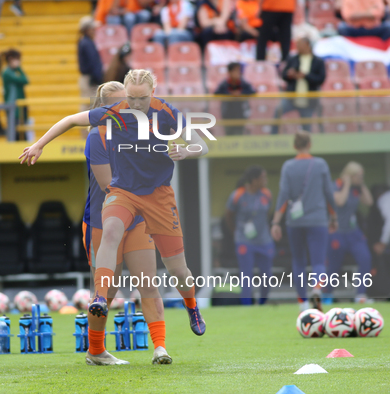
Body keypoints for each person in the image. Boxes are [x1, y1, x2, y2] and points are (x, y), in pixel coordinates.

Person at [20, 69, 209, 338]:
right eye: (130, 97)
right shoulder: (115, 113)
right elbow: (71, 120)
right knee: (110, 233)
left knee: (178, 270)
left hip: (158, 195)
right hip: (123, 193)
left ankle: (191, 305)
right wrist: (39, 144)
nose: (134, 104)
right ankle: (99, 297)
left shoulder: (167, 113)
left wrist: (185, 150)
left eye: (140, 98)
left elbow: (202, 145)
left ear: (152, 93)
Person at [83, 81, 171, 366]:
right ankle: (96, 352)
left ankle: (160, 348)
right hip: (102, 221)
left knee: (148, 283)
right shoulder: (97, 137)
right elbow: (110, 185)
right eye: (119, 104)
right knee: (106, 291)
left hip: (137, 220)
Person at [271, 132, 337, 312]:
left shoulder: (288, 166)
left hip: (295, 221)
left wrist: (276, 222)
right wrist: (334, 216)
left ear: (294, 146)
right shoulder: (320, 164)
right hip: (318, 219)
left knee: (298, 262)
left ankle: (302, 303)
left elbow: (283, 195)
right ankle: (317, 289)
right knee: (318, 262)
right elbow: (329, 194)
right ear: (310, 143)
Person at [323, 162, 373, 304]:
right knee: (333, 266)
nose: (361, 178)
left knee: (365, 259)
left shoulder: (357, 188)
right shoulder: (336, 185)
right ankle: (328, 295)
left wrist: (361, 184)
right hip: (336, 231)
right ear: (350, 176)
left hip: (353, 232)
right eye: (359, 176)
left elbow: (369, 202)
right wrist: (347, 183)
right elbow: (339, 201)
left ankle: (361, 295)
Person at [225, 166, 274, 305]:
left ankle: (263, 303)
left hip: (264, 240)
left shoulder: (267, 194)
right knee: (246, 275)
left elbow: (268, 213)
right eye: (263, 178)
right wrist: (235, 231)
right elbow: (228, 215)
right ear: (254, 180)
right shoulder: (238, 194)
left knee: (266, 275)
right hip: (244, 240)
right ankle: (246, 305)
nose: (266, 180)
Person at [272, 37, 325, 135]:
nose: (298, 48)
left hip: (308, 100)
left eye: (300, 45)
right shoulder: (293, 59)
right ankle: (273, 136)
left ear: (307, 45)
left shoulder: (318, 61)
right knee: (278, 111)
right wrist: (289, 74)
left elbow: (320, 79)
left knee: (306, 126)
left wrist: (305, 76)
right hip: (292, 97)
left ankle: (307, 144)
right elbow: (284, 75)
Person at [214, 62, 255, 136]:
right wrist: (230, 94)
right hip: (228, 114)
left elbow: (252, 91)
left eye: (239, 70)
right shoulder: (225, 83)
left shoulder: (242, 83)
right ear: (229, 72)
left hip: (240, 113)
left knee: (239, 134)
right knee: (229, 134)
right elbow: (217, 93)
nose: (238, 73)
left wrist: (240, 93)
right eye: (235, 70)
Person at [0, 49, 29, 140]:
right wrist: (19, 68)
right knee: (15, 132)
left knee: (22, 131)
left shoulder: (13, 72)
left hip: (20, 105)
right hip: (14, 106)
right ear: (11, 59)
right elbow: (25, 80)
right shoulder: (7, 73)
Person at [78, 16, 103, 116]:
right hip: (89, 80)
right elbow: (93, 63)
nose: (95, 31)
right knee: (88, 106)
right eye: (93, 29)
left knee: (89, 105)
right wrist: (98, 78)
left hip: (88, 78)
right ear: (87, 30)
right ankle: (87, 131)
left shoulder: (85, 42)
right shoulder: (87, 43)